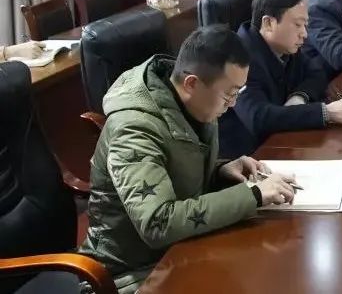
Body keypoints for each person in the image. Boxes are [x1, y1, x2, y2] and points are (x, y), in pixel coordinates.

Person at [79, 26, 300, 293]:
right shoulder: (134, 129)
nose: (232, 104)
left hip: (181, 249)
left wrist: (220, 170)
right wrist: (253, 195)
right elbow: (158, 222)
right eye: (229, 93)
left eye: (237, 93)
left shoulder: (193, 102)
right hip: (129, 273)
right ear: (191, 83)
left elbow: (173, 168)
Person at [218, 0, 342, 158]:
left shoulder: (284, 46)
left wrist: (299, 97)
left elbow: (317, 72)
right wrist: (326, 113)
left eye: (305, 25)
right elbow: (258, 117)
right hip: (247, 157)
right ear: (268, 23)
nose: (304, 34)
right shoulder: (238, 58)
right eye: (298, 25)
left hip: (280, 144)